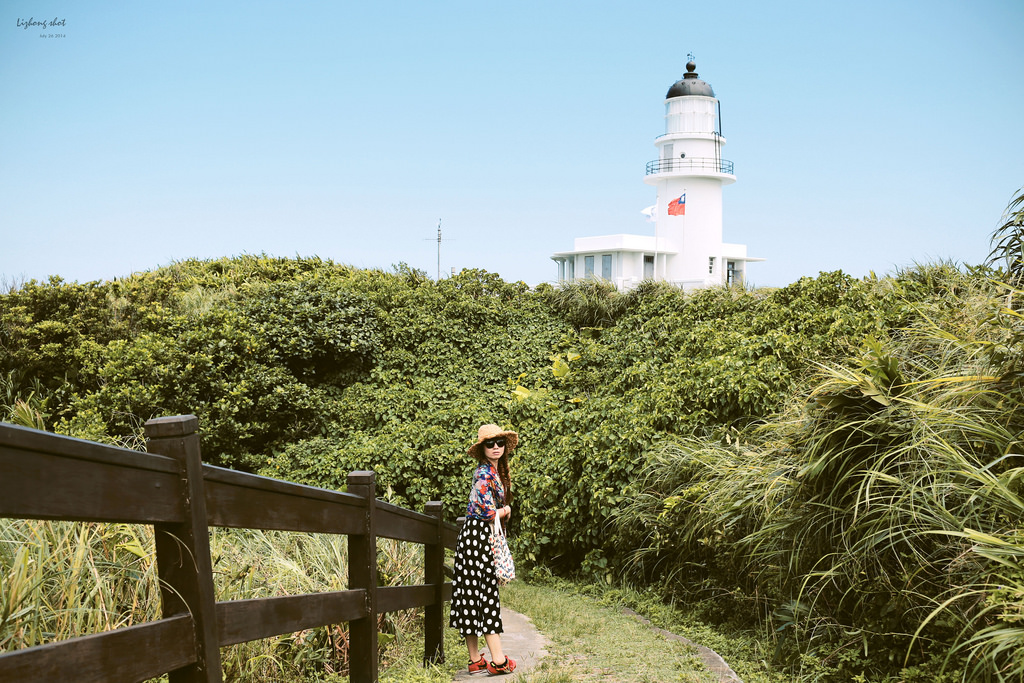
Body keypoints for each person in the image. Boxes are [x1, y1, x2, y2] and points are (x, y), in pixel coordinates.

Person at [449, 423, 518, 675]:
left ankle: (475, 659)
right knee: (486, 593)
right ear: (482, 449)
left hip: (473, 538)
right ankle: (498, 661)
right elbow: (487, 513)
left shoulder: (492, 472)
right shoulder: (483, 474)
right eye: (490, 444)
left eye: (499, 442)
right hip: (477, 538)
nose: (496, 447)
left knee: (471, 594)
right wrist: (506, 511)